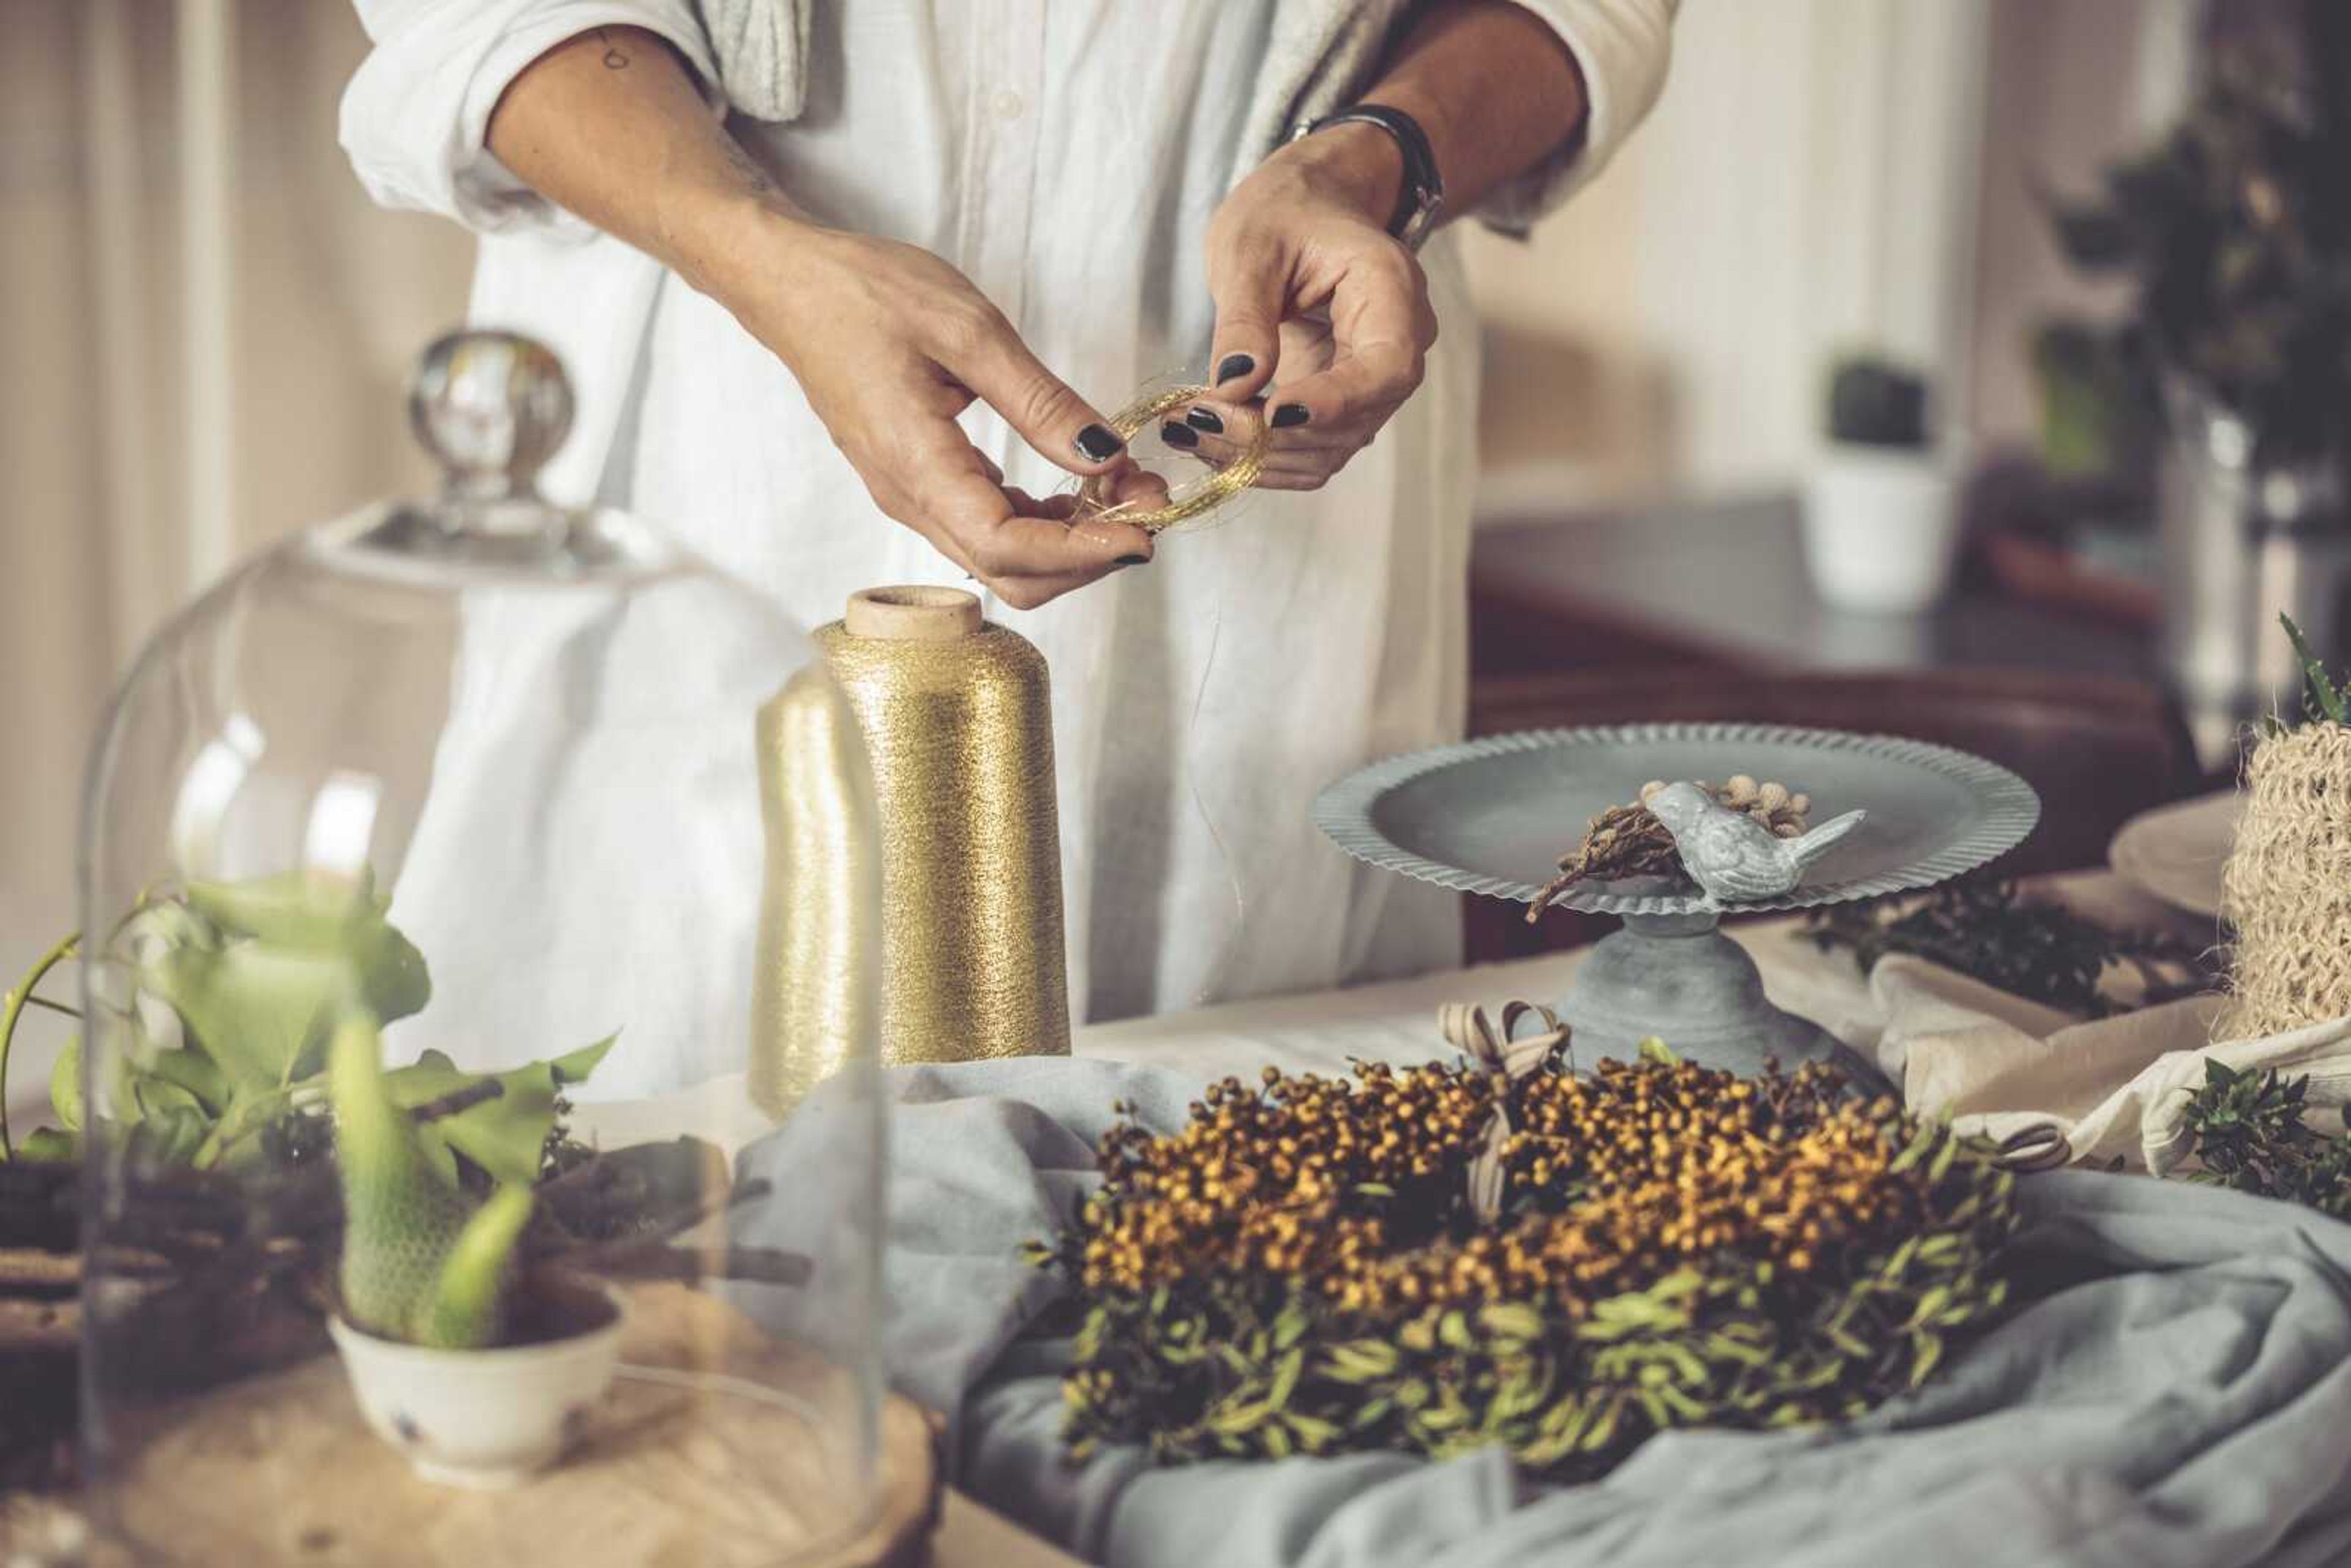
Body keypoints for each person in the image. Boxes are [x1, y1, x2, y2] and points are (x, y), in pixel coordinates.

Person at [342, 0, 1676, 1073]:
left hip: (1277, 455)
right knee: (654, 1131)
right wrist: (757, 252)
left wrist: (1378, 157)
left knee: (1229, 1132)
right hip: (722, 411)